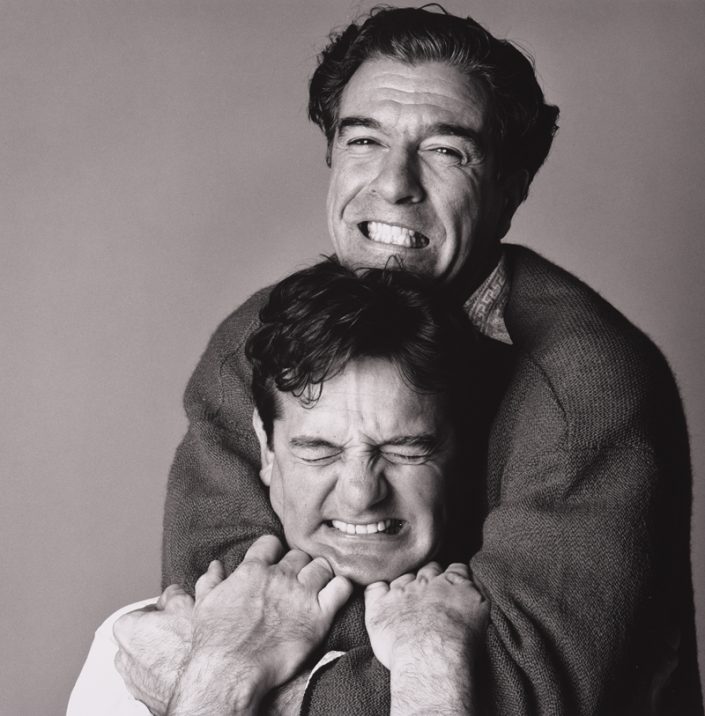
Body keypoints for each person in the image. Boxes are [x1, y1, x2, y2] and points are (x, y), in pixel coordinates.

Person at [118, 6, 701, 715]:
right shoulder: (258, 341)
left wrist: (238, 678)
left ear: (512, 184)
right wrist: (398, 650)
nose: (395, 183)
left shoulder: (586, 383)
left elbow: (521, 691)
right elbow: (223, 595)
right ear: (332, 156)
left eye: (446, 151)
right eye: (365, 140)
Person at [69, 262, 491, 715]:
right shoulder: (137, 650)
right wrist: (222, 666)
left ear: (461, 452)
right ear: (267, 450)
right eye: (319, 451)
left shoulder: (527, 665)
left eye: (403, 450)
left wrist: (431, 659)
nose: (360, 495)